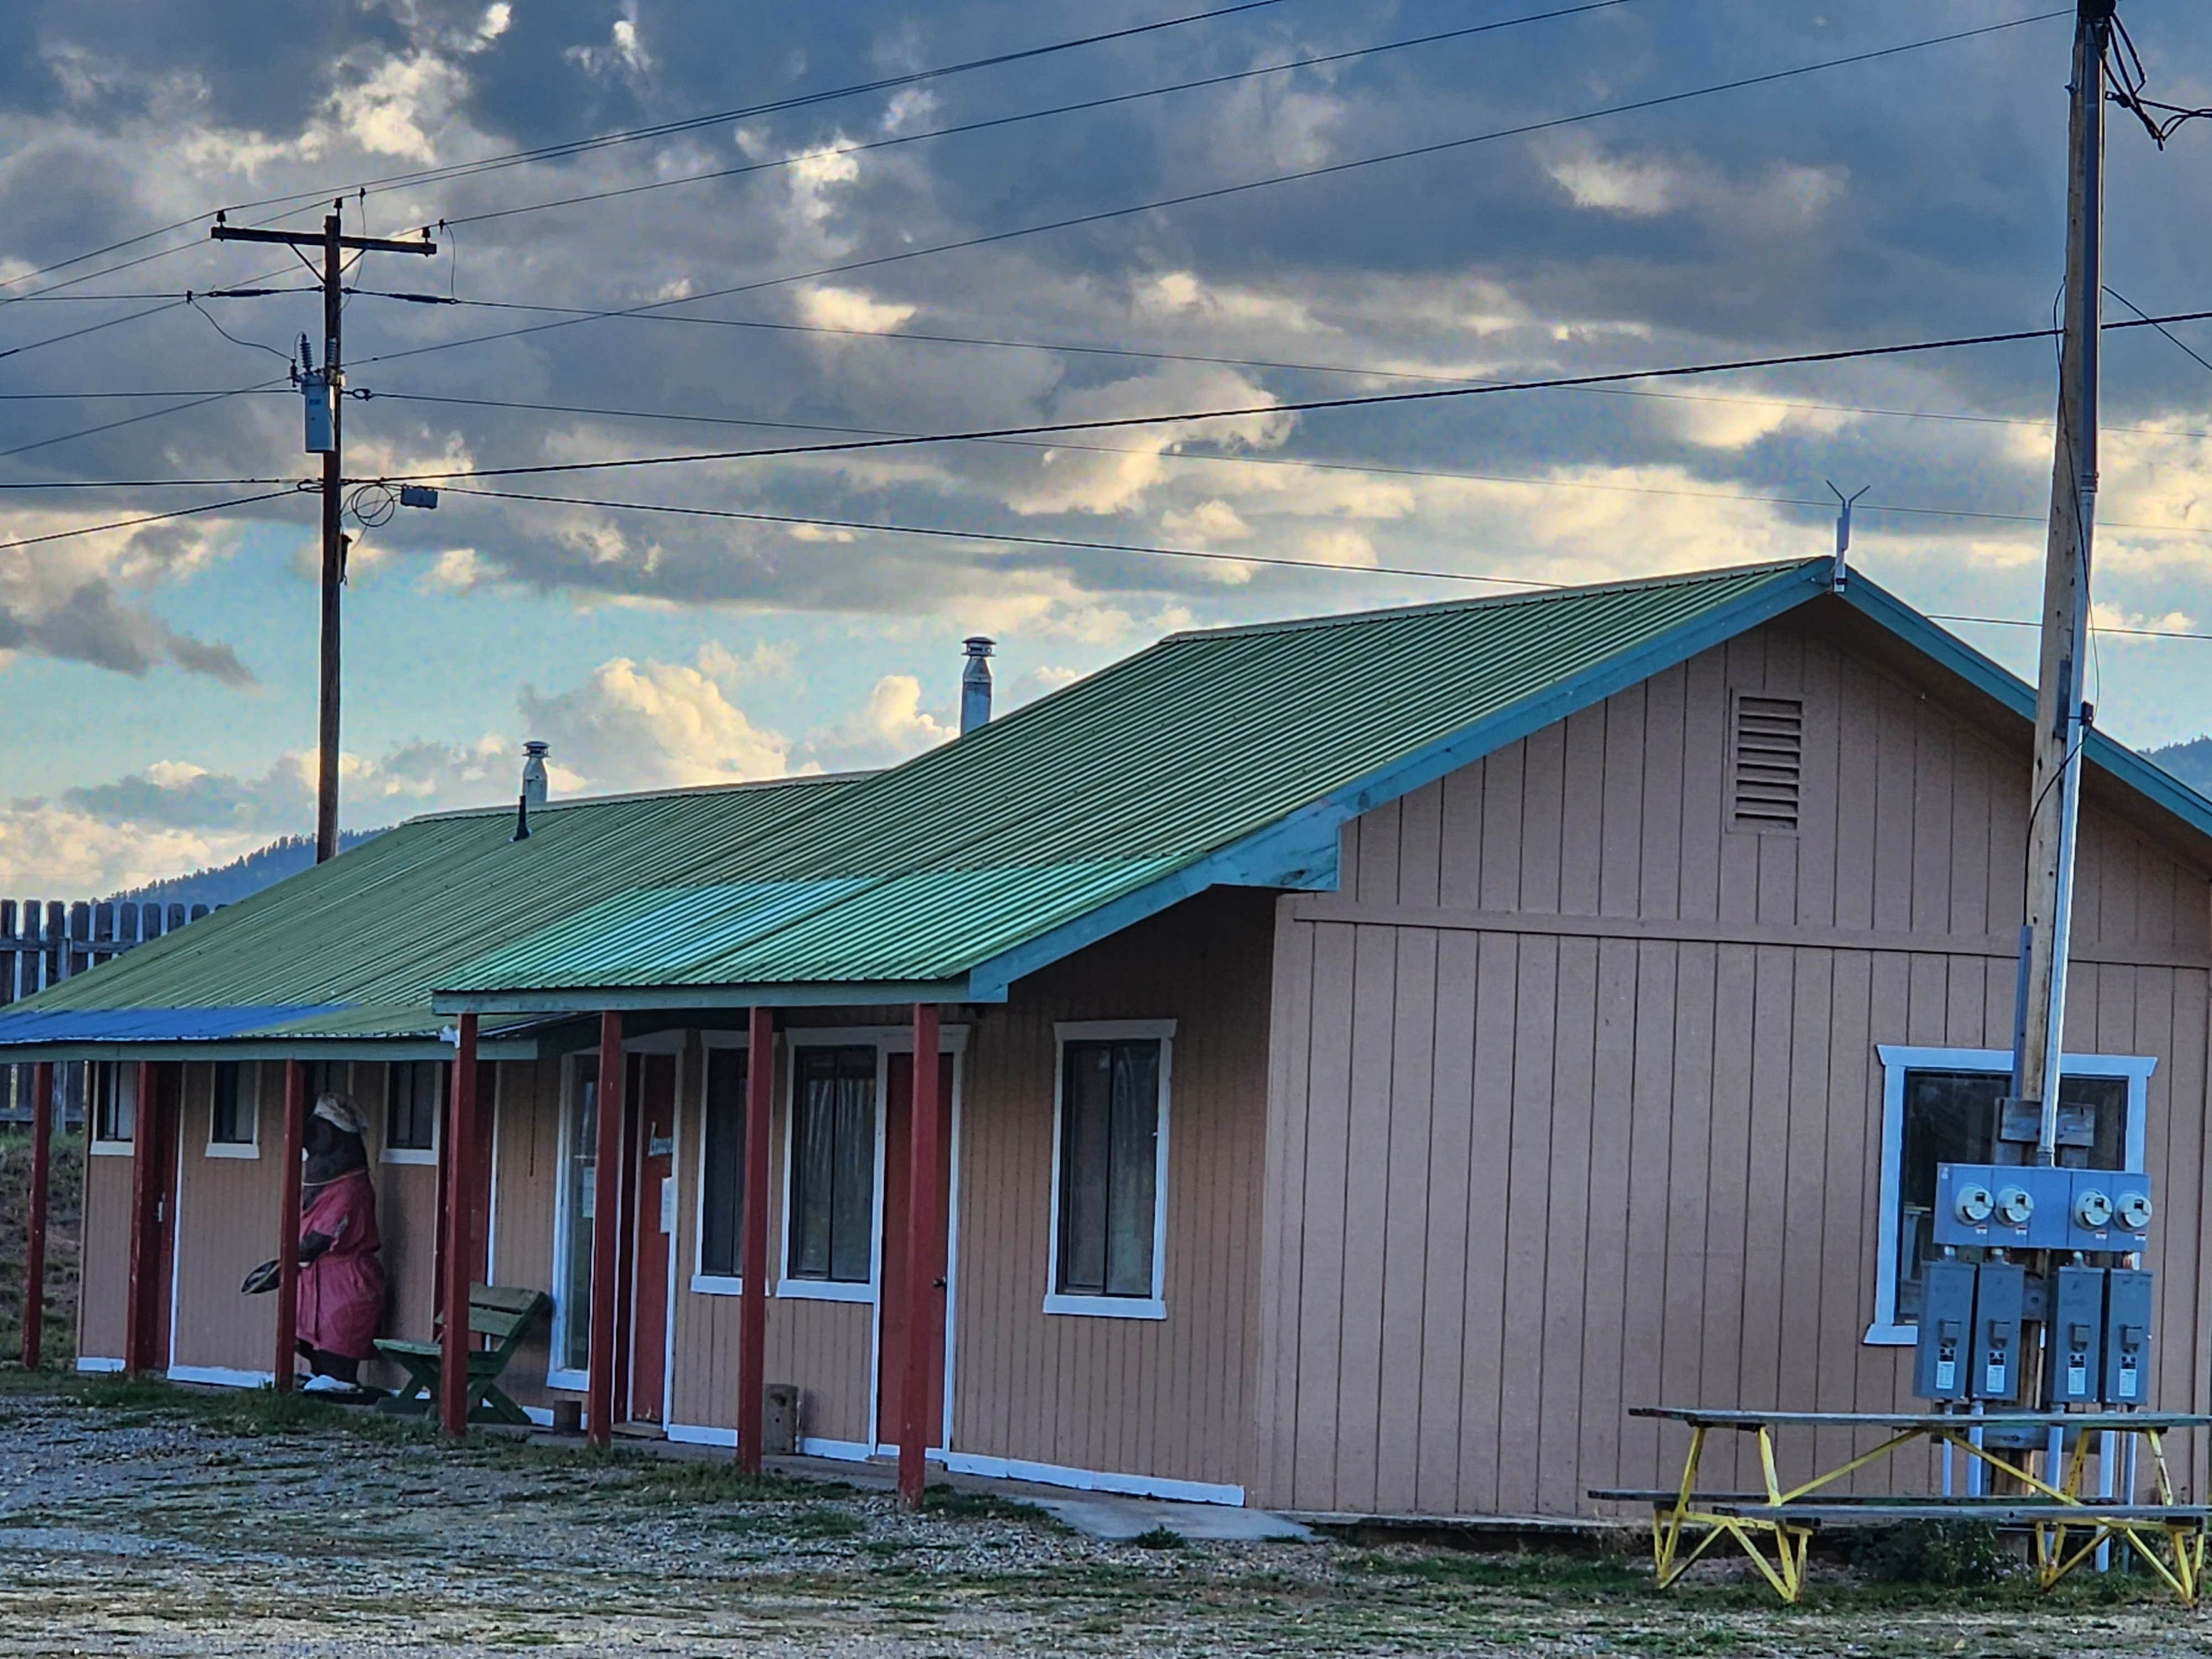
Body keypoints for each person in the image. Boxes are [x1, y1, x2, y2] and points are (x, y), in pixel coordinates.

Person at [243, 1092, 386, 1391]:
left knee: (337, 1324)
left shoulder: (351, 1187)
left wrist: (283, 1266)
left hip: (344, 1274)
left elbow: (324, 1235)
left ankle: (341, 1378)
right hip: (314, 1272)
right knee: (309, 1325)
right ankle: (320, 1372)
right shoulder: (325, 1183)